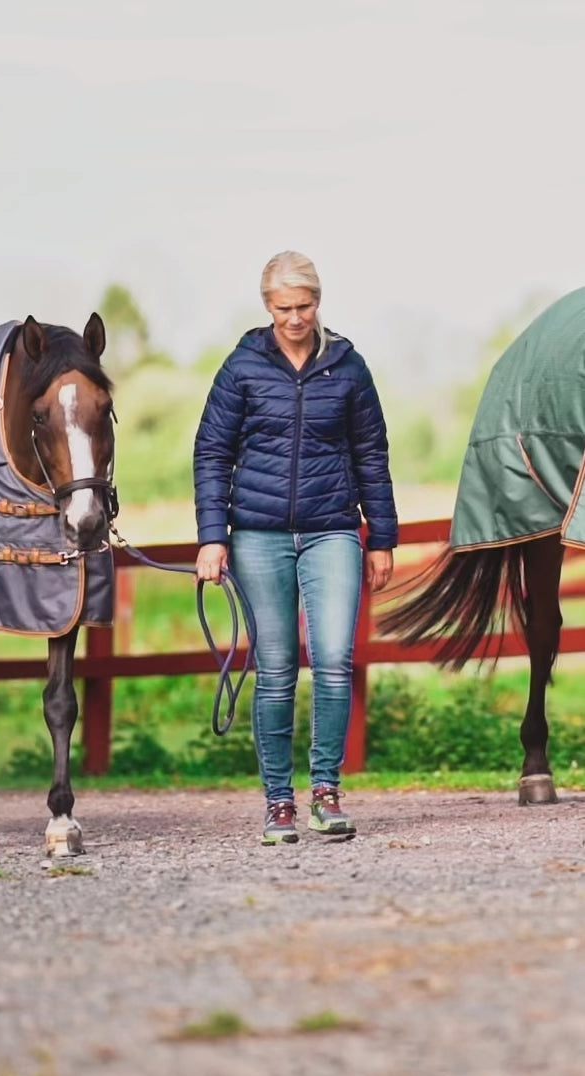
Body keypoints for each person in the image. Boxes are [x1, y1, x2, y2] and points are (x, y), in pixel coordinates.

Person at [193, 251, 397, 845]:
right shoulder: (241, 368)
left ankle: (326, 791)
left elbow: (372, 457)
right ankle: (278, 802)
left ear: (318, 302)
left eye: (304, 306)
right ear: (267, 306)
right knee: (277, 669)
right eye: (283, 308)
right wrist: (212, 536)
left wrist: (381, 537)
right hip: (257, 535)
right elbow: (212, 454)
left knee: (334, 661)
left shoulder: (348, 368)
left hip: (333, 529)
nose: (294, 318)